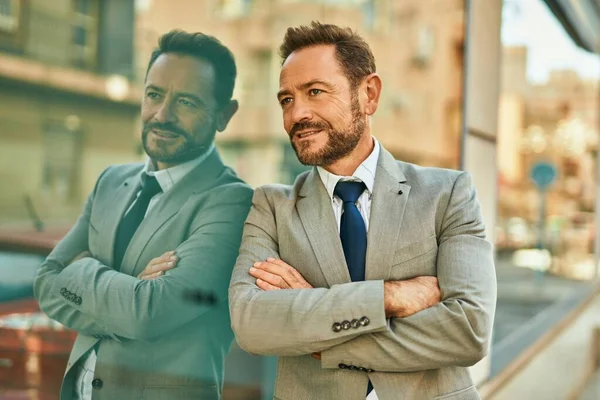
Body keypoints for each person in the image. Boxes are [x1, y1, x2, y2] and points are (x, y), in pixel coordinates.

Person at [229, 22, 496, 400]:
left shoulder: (447, 193)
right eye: (286, 100)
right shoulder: (271, 206)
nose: (297, 114)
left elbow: (469, 331)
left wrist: (321, 340)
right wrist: (387, 297)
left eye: (315, 92)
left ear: (368, 94)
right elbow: (251, 323)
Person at [34, 30, 253, 400]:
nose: (162, 115)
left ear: (223, 115)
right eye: (154, 95)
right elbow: (45, 284)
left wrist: (82, 270)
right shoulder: (110, 181)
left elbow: (148, 313)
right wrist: (130, 284)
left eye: (186, 102)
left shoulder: (232, 202)